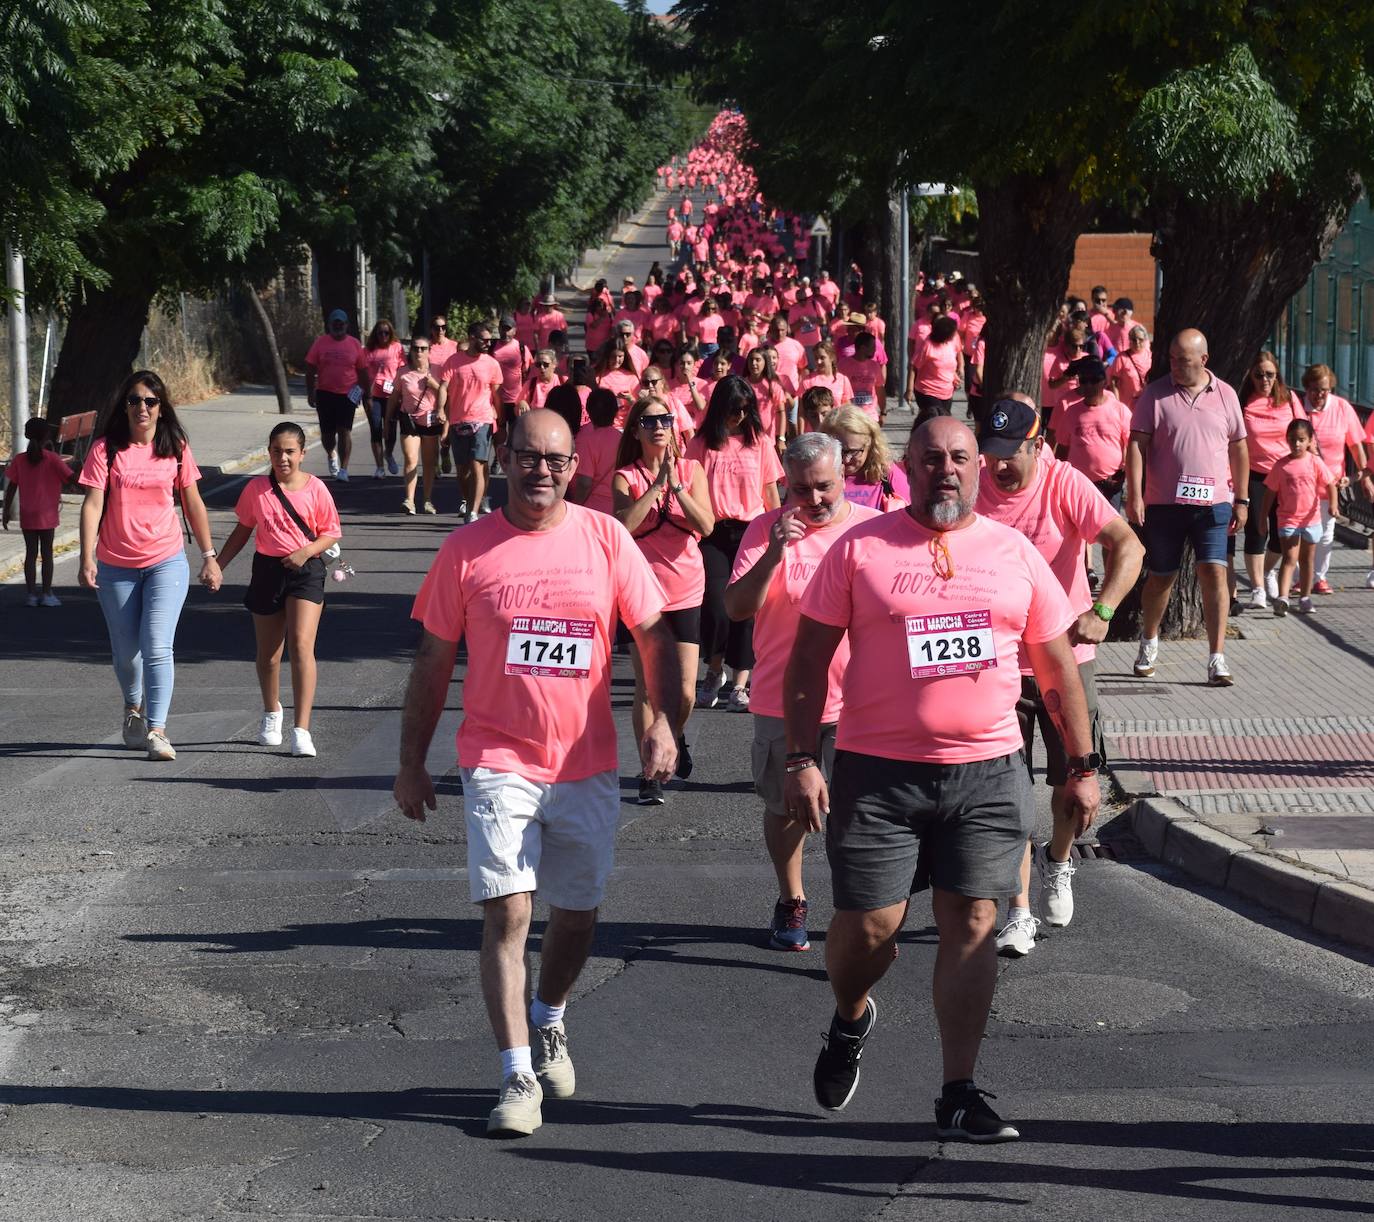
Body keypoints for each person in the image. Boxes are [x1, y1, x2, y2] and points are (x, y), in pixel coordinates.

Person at [783, 416, 1099, 1143]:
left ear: (979, 467)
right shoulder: (860, 548)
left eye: (960, 457)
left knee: (975, 921)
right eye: (932, 458)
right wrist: (801, 759)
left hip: (988, 771)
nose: (947, 469)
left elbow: (1056, 668)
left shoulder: (1014, 554)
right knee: (869, 929)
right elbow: (807, 661)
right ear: (909, 466)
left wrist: (1081, 768)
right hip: (878, 773)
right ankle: (851, 1016)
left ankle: (958, 1090)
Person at [393, 409, 681, 1138]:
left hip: (586, 759)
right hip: (497, 758)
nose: (541, 471)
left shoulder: (605, 538)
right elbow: (432, 662)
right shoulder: (466, 550)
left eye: (555, 460)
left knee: (577, 915)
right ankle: (516, 1072)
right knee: (510, 912)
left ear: (572, 468)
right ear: (505, 458)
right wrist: (411, 763)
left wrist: (662, 723)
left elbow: (654, 635)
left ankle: (549, 1016)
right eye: (528, 457)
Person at [975, 397, 1144, 957]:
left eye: (1011, 453)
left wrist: (1103, 609)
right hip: (994, 660)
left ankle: (1059, 858)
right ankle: (1019, 911)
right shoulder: (971, 486)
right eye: (991, 453)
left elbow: (1128, 544)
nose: (999, 466)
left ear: (1038, 446)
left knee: (1073, 783)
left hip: (1065, 660)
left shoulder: (1063, 483)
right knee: (1007, 791)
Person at [725, 433, 880, 952]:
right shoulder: (764, 530)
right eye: (800, 489)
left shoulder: (871, 529)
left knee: (863, 815)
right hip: (783, 699)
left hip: (860, 699)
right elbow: (737, 608)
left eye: (824, 487)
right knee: (786, 806)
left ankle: (862, 910)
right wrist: (774, 552)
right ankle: (791, 898)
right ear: (786, 486)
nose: (813, 499)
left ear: (844, 477)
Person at [78, 370, 221, 761]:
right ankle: (133, 706)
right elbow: (92, 503)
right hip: (116, 564)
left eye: (150, 401)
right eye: (134, 400)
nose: (142, 407)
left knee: (157, 645)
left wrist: (209, 556)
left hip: (166, 560)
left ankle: (157, 731)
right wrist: (87, 555)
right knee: (126, 653)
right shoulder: (106, 450)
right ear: (124, 406)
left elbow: (193, 503)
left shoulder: (175, 447)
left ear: (161, 407)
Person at [212, 422, 341, 758]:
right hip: (268, 571)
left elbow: (330, 532)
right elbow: (243, 530)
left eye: (289, 452)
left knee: (301, 646)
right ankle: (272, 713)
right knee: (269, 655)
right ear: (268, 452)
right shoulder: (257, 489)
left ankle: (302, 730)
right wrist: (217, 564)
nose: (282, 458)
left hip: (306, 571)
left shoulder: (316, 488)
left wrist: (306, 552)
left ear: (302, 454)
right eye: (276, 451)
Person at [1126, 329, 1248, 686]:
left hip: (1213, 505)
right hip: (1165, 503)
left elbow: (1239, 447)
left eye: (1184, 360)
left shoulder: (1225, 394)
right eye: (1173, 359)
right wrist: (1135, 495)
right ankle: (1149, 642)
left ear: (1203, 360)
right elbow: (1137, 445)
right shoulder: (1155, 394)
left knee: (1214, 572)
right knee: (1162, 576)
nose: (1176, 366)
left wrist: (1242, 499)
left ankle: (1217, 657)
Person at [613, 395, 715, 803]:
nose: (658, 427)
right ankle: (649, 772)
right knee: (647, 689)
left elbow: (706, 524)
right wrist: (655, 486)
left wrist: (676, 487)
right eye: (650, 421)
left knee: (686, 692)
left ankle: (671, 736)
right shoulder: (625, 476)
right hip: (641, 593)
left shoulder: (691, 470)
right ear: (636, 430)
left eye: (665, 419)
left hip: (686, 588)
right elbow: (622, 526)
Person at [686, 375, 783, 711]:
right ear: (720, 408)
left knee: (748, 607)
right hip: (712, 531)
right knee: (714, 605)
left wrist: (779, 533)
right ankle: (714, 671)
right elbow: (689, 490)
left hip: (752, 530)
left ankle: (740, 684)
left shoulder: (761, 443)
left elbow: (770, 492)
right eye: (733, 409)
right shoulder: (701, 443)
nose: (739, 416)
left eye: (744, 409)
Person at [1237, 352, 1305, 609]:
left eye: (1269, 374)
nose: (1264, 380)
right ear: (1250, 376)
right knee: (1256, 530)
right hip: (1254, 474)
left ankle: (1267, 571)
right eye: (1258, 375)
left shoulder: (1289, 399)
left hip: (1285, 474)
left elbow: (1304, 431)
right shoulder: (1243, 400)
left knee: (1281, 535)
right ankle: (1257, 589)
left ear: (1277, 375)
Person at [1300, 364, 1371, 594]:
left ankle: (1319, 577)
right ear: (1306, 387)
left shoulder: (1341, 407)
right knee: (1302, 531)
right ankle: (1302, 577)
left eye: (1324, 390)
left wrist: (1364, 478)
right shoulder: (1298, 408)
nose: (1319, 395)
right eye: (1314, 389)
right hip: (1301, 483)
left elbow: (1355, 446)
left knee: (1325, 532)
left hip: (1331, 484)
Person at [1261, 419, 1341, 616]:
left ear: (1310, 441)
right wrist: (1262, 517)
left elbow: (1330, 483)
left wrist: (1333, 505)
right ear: (1287, 440)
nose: (1296, 444)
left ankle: (1305, 597)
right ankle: (1282, 598)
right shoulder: (1281, 465)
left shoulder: (1315, 462)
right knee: (1289, 558)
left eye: (1301, 440)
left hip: (1311, 520)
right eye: (1292, 439)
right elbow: (1270, 493)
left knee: (1307, 560)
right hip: (1288, 519)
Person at [3, 417, 74, 606]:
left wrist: (6, 512)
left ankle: (31, 596)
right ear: (46, 435)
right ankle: (47, 594)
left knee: (31, 553)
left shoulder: (19, 459)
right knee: (47, 554)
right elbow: (71, 477)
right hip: (47, 515)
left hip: (27, 514)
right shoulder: (52, 459)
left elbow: (11, 487)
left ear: (27, 434)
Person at [441, 321, 503, 523]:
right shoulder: (454, 361)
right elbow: (443, 388)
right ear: (472, 338)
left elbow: (497, 395)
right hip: (458, 420)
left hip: (483, 419)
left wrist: (500, 422)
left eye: (490, 340)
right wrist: (440, 411)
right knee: (462, 470)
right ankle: (469, 502)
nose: (488, 343)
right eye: (484, 340)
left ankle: (473, 512)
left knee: (477, 464)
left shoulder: (492, 364)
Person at [1051, 359, 1131, 511]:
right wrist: (1060, 478)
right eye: (1084, 381)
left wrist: (1124, 472)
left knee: (1110, 525)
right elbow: (1062, 448)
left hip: (1110, 484)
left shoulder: (1119, 410)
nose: (1088, 385)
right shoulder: (1071, 412)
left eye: (1094, 380)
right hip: (1079, 484)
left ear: (1104, 381)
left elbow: (1132, 444)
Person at [385, 334, 447, 514]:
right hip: (409, 419)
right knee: (411, 458)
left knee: (429, 462)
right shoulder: (403, 372)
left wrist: (435, 385)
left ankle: (427, 500)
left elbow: (448, 395)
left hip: (430, 420)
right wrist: (387, 421)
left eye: (423, 348)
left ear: (429, 351)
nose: (419, 352)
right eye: (415, 348)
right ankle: (409, 500)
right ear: (410, 351)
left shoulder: (438, 370)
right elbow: (394, 397)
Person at [305, 309, 363, 480]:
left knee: (345, 431)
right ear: (329, 325)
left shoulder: (354, 344)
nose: (338, 326)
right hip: (325, 393)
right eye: (335, 323)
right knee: (327, 435)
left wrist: (363, 392)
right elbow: (310, 368)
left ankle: (343, 469)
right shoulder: (320, 343)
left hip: (347, 395)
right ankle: (331, 453)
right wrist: (310, 392)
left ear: (346, 325)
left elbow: (363, 370)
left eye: (341, 323)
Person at [821, 406, 909, 511]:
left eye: (854, 452)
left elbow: (914, 513)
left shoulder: (886, 473)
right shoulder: (816, 476)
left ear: (870, 446)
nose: (846, 460)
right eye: (839, 451)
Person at [358, 319, 405, 478]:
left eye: (386, 333)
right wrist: (366, 394)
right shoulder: (368, 350)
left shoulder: (397, 348)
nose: (383, 336)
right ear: (375, 334)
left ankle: (388, 453)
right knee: (376, 429)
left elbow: (402, 370)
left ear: (390, 334)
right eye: (380, 333)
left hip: (392, 395)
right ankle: (379, 467)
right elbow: (362, 372)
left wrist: (402, 392)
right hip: (373, 396)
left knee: (391, 429)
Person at [568, 387, 622, 514]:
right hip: (618, 506)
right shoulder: (622, 439)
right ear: (616, 412)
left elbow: (584, 483)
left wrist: (574, 508)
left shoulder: (586, 439)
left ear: (588, 411)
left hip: (593, 509)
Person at [909, 315, 964, 416]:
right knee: (934, 420)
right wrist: (909, 389)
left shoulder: (950, 344)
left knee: (944, 422)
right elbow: (913, 366)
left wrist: (954, 376)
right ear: (945, 333)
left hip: (947, 393)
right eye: (953, 332)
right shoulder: (928, 346)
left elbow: (948, 364)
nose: (955, 334)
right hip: (928, 391)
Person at [490, 314, 532, 445]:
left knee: (516, 436)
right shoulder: (491, 346)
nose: (505, 332)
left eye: (508, 329)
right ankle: (498, 455)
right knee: (498, 435)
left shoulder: (521, 348)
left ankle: (511, 456)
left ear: (514, 330)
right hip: (496, 399)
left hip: (516, 400)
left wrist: (525, 398)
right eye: (503, 328)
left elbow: (529, 372)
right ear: (499, 329)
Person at [593, 337, 641, 425]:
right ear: (607, 356)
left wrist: (630, 399)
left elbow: (639, 407)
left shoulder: (632, 377)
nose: (616, 360)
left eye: (620, 356)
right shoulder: (597, 376)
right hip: (605, 424)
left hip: (626, 425)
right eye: (613, 356)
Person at [799, 342, 853, 410]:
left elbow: (847, 408)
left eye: (822, 358)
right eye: (816, 358)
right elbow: (802, 410)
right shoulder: (807, 381)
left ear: (831, 357)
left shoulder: (843, 380)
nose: (818, 361)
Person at [1109, 325, 1152, 410]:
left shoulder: (1151, 356)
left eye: (1140, 339)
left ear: (1145, 340)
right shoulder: (1121, 358)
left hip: (1147, 403)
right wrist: (1117, 404)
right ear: (1129, 341)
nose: (1137, 342)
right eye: (1134, 339)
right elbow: (1114, 383)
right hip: (1128, 406)